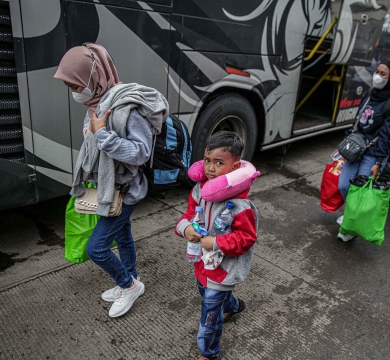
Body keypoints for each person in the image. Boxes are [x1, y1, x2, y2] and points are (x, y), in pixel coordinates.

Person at [54, 43, 169, 317]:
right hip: (108, 186)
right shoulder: (97, 102)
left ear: (93, 76)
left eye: (75, 85)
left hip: (125, 190)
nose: (74, 93)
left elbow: (140, 153)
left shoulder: (127, 107)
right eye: (70, 87)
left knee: (97, 248)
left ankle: (128, 285)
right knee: (123, 235)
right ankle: (131, 279)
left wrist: (103, 135)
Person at [175, 131, 258, 360]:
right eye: (207, 160)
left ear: (236, 166)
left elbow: (247, 238)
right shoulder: (199, 190)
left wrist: (217, 242)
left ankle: (209, 352)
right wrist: (185, 228)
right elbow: (190, 214)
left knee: (209, 317)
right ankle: (232, 306)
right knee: (206, 293)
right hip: (202, 264)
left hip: (223, 272)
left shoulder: (241, 205)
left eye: (219, 163)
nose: (211, 168)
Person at [336, 58, 390, 242]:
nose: (377, 77)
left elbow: (387, 137)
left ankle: (350, 228)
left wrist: (378, 163)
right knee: (344, 185)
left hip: (373, 154)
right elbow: (357, 122)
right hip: (356, 149)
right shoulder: (369, 94)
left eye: (383, 74)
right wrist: (346, 145)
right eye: (377, 72)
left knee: (362, 191)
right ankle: (351, 213)